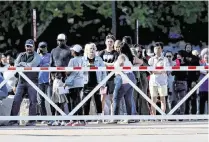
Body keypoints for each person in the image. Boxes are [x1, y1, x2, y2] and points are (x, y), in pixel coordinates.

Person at [9, 39, 41, 126]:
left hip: (32, 81)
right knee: (16, 100)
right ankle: (13, 121)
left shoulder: (37, 56)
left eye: (30, 46)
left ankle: (31, 121)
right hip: (21, 81)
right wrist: (22, 64)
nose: (29, 48)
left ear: (34, 47)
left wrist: (22, 63)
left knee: (33, 101)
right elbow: (16, 64)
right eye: (27, 46)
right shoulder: (21, 55)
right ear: (25, 46)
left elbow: (32, 65)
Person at [49, 33, 71, 126]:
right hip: (56, 79)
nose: (60, 42)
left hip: (65, 78)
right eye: (59, 40)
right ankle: (57, 119)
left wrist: (68, 76)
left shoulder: (69, 50)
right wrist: (51, 77)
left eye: (62, 40)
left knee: (64, 100)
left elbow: (71, 64)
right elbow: (51, 64)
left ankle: (65, 119)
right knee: (56, 99)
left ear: (66, 40)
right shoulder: (53, 50)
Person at [83, 43, 107, 118]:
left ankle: (99, 117)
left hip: (97, 82)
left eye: (93, 48)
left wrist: (103, 84)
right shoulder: (83, 60)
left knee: (98, 101)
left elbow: (104, 72)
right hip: (86, 83)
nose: (92, 50)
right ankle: (85, 118)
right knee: (86, 102)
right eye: (90, 48)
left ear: (96, 50)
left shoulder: (99, 59)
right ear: (87, 50)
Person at [65, 44, 85, 126]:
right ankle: (76, 119)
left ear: (74, 52)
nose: (71, 51)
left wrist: (65, 72)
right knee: (77, 101)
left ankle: (78, 120)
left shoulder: (72, 60)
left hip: (73, 83)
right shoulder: (84, 59)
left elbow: (68, 72)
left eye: (72, 50)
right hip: (81, 82)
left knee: (74, 102)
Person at [148, 42, 170, 115]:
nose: (157, 50)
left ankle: (162, 116)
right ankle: (154, 117)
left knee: (162, 99)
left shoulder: (165, 59)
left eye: (159, 48)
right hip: (153, 82)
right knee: (153, 99)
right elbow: (150, 70)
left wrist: (156, 71)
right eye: (156, 48)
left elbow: (165, 70)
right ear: (153, 50)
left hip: (162, 82)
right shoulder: (151, 59)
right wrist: (158, 71)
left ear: (162, 49)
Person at [99, 34, 119, 115]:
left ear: (113, 43)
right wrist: (109, 65)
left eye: (111, 41)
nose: (109, 43)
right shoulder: (102, 52)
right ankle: (102, 114)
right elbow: (98, 63)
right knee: (102, 97)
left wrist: (104, 64)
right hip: (103, 78)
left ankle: (112, 115)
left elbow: (115, 64)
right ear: (105, 42)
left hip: (112, 78)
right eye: (108, 41)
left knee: (112, 98)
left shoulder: (116, 53)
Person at [36, 42, 51, 123]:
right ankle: (44, 118)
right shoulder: (36, 56)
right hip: (40, 81)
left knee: (51, 99)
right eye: (41, 47)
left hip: (49, 81)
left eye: (44, 46)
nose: (43, 48)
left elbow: (50, 65)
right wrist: (37, 55)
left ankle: (54, 118)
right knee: (40, 101)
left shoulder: (50, 55)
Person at [184, 43, 200, 115]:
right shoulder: (182, 57)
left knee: (193, 97)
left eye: (189, 47)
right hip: (184, 80)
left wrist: (196, 80)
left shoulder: (195, 58)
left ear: (191, 48)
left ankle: (193, 114)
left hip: (192, 80)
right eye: (187, 47)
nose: (188, 48)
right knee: (185, 98)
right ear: (185, 48)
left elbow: (198, 70)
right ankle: (185, 113)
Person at [171, 50, 188, 115]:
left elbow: (185, 74)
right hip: (175, 82)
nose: (178, 56)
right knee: (174, 99)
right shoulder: (175, 63)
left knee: (182, 100)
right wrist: (176, 65)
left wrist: (180, 65)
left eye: (179, 55)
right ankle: (173, 114)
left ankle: (181, 114)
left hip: (183, 83)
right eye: (177, 54)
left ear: (182, 56)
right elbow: (172, 73)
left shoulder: (186, 63)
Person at [198, 48, 208, 114]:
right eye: (205, 57)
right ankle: (201, 117)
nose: (207, 58)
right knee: (201, 103)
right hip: (202, 88)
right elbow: (201, 70)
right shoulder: (200, 65)